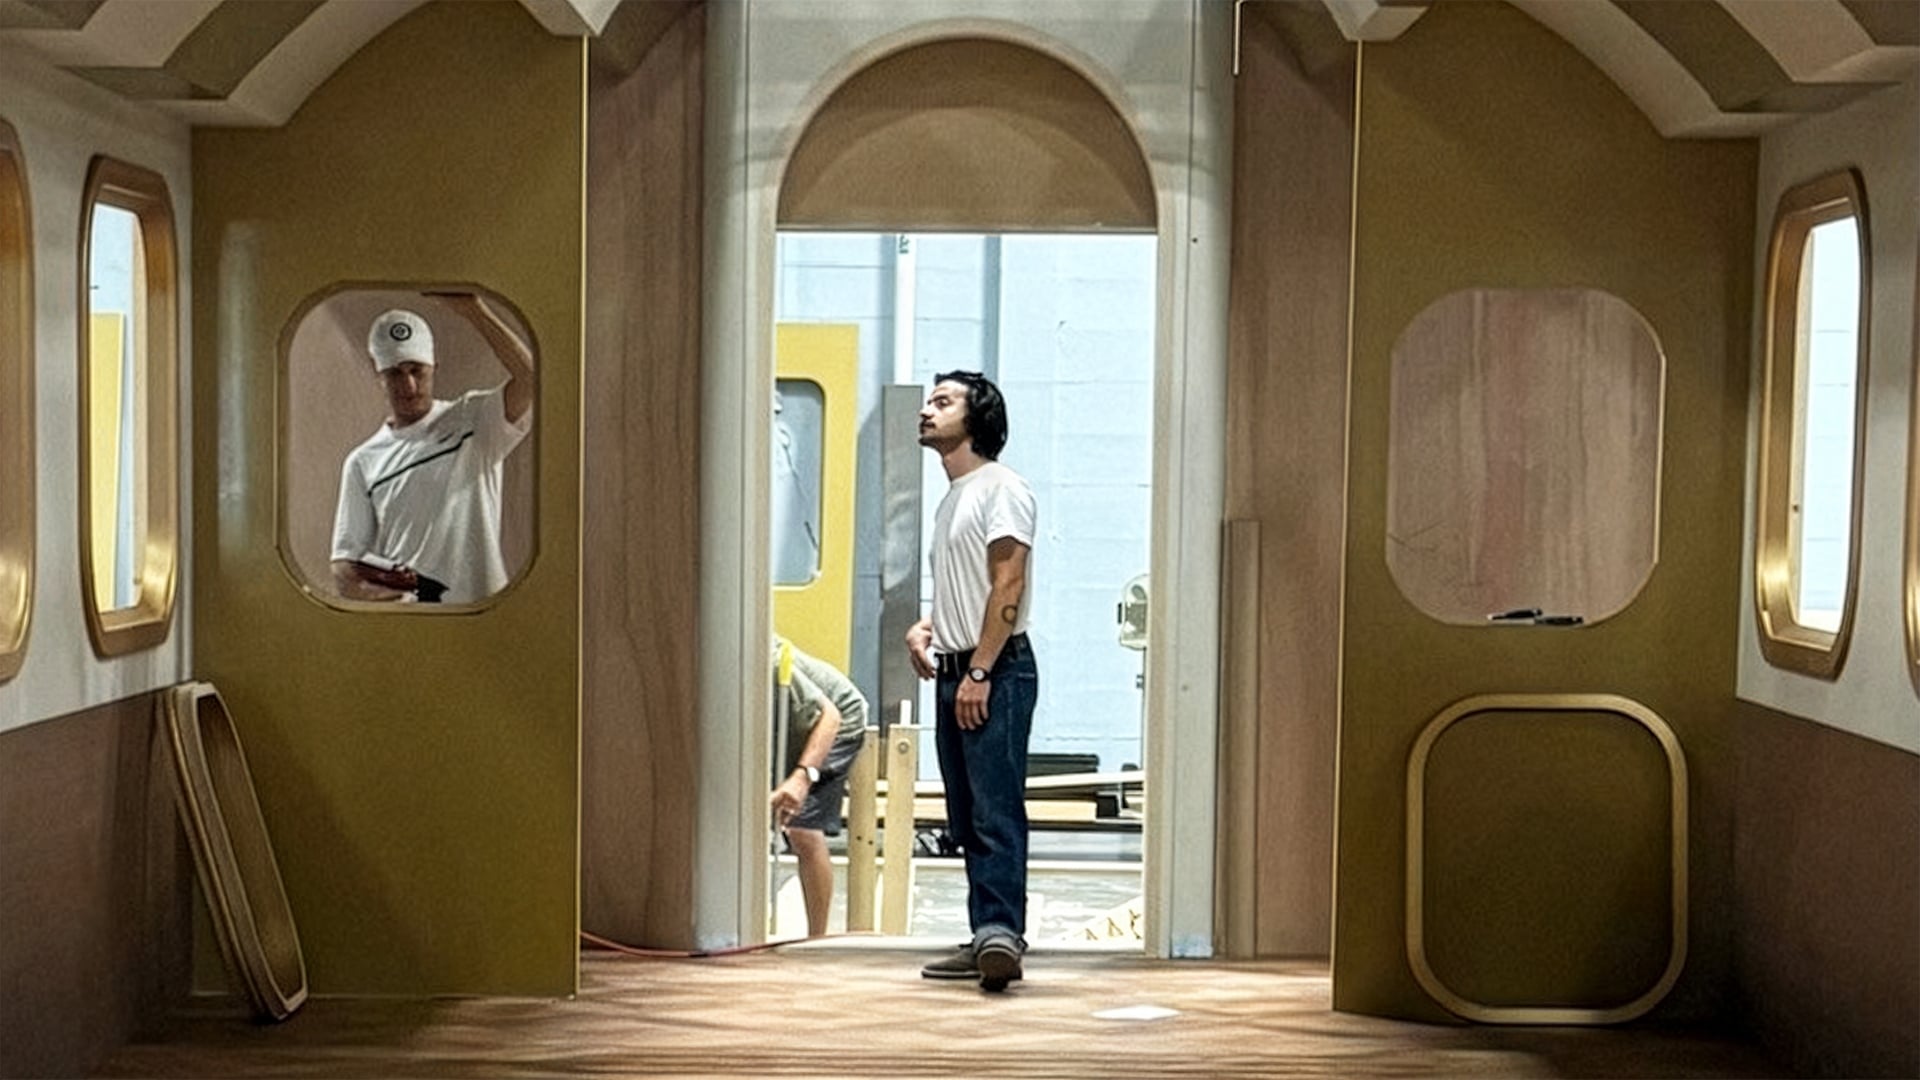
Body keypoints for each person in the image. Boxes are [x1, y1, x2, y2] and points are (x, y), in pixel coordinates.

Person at [906, 370, 1039, 992]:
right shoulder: (953, 497)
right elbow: (972, 586)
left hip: (995, 669)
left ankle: (1000, 936)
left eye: (943, 401)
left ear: (977, 416)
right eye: (928, 401)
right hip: (958, 666)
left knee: (994, 811)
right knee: (966, 812)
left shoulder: (1001, 488)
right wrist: (930, 626)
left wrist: (980, 670)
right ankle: (988, 931)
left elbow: (1008, 583)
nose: (927, 411)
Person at [330, 294, 534, 605]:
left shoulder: (475, 420)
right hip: (414, 632)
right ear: (379, 376)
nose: (409, 385)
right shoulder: (362, 462)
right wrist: (398, 600)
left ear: (434, 367)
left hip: (488, 621)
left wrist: (474, 311)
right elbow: (345, 566)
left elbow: (532, 378)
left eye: (417, 371)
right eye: (395, 373)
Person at [769, 636, 869, 937]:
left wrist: (801, 777)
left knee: (802, 830)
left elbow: (831, 717)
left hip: (838, 723)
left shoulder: (768, 661)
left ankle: (817, 939)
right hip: (795, 723)